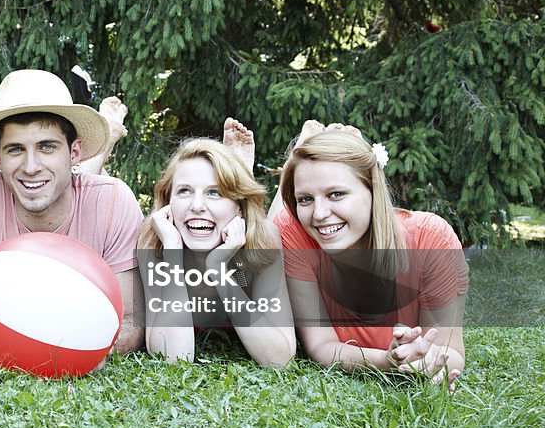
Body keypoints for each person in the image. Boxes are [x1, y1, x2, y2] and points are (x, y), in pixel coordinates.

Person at [0, 69, 145, 362]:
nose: (31, 166)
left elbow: (130, 320)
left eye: (47, 147)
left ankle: (108, 138)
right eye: (15, 150)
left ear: (75, 153)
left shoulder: (114, 200)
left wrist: (95, 348)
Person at [271, 121, 467, 389]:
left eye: (336, 194)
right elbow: (321, 345)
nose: (318, 214)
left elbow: (450, 351)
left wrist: (424, 361)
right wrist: (386, 361)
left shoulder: (430, 239)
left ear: (373, 191)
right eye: (305, 199)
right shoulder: (295, 232)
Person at [141, 121, 296, 367]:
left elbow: (281, 359)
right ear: (167, 200)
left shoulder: (264, 239)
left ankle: (280, 165)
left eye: (215, 192)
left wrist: (219, 270)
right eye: (184, 191)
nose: (197, 205)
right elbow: (173, 358)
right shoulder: (155, 239)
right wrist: (172, 251)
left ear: (240, 206)